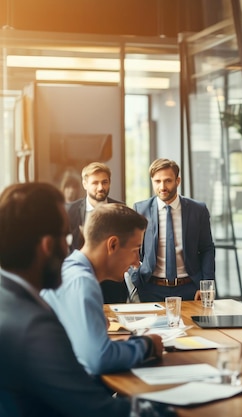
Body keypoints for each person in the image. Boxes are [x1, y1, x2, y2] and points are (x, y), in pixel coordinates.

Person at [0, 182, 130, 416]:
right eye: (67, 238)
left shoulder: (9, 298)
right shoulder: (34, 326)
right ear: (47, 246)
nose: (70, 249)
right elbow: (97, 410)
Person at [41, 204, 163, 376]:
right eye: (136, 250)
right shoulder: (83, 282)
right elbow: (98, 359)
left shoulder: (68, 269)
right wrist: (147, 345)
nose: (137, 262)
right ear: (112, 245)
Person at [132, 158, 216, 301]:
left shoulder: (198, 210)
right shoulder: (140, 210)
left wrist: (206, 285)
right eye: (157, 181)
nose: (162, 186)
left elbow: (207, 248)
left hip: (189, 289)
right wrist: (135, 278)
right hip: (150, 288)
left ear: (178, 181)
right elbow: (132, 248)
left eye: (168, 181)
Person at [67, 162, 128, 303]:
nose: (101, 187)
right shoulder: (70, 211)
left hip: (114, 285)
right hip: (79, 282)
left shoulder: (121, 210)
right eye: (95, 183)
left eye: (104, 182)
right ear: (85, 184)